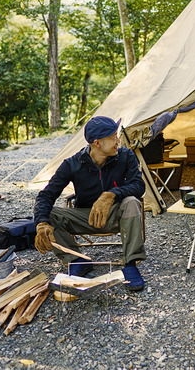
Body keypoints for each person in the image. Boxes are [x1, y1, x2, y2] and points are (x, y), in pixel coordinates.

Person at [33, 116, 146, 291]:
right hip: (84, 217)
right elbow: (46, 196)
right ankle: (77, 260)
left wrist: (111, 195)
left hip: (116, 215)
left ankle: (130, 264)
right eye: (113, 136)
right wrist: (41, 223)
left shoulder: (125, 156)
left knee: (131, 202)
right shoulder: (72, 164)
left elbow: (139, 186)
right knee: (48, 214)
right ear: (97, 143)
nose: (118, 140)